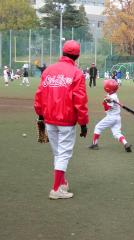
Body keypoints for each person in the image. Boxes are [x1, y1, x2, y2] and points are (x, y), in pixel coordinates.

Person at [34, 40, 89, 199]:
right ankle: (56, 188)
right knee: (63, 154)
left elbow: (39, 95)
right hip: (66, 120)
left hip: (49, 119)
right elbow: (80, 101)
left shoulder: (48, 70)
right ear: (77, 56)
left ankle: (62, 182)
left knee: (58, 153)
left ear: (63, 52)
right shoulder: (77, 73)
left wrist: (40, 115)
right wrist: (83, 123)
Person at [89, 79, 132, 152]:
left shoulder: (112, 98)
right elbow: (110, 99)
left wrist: (106, 101)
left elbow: (106, 109)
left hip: (111, 117)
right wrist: (107, 99)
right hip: (117, 118)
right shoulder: (113, 95)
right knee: (117, 133)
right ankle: (126, 144)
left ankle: (94, 144)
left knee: (98, 127)